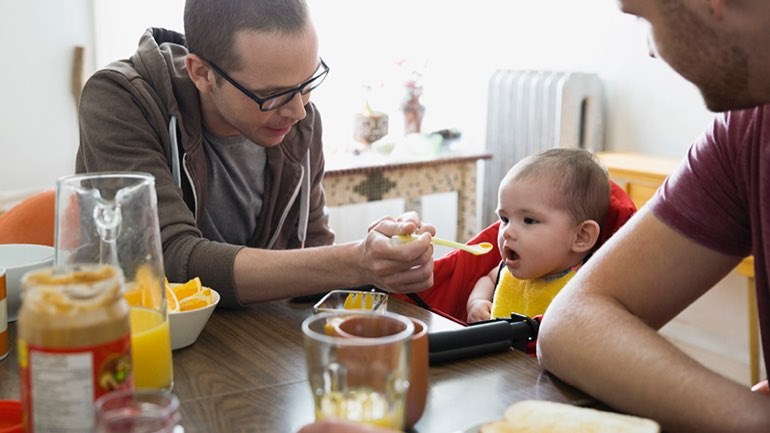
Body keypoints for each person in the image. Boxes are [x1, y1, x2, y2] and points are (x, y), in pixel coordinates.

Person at [76, 0, 435, 308]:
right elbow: (163, 260)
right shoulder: (119, 100)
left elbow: (311, 247)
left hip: (254, 354)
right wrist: (355, 260)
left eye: (306, 84)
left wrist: (382, 262)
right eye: (274, 94)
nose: (297, 111)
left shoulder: (301, 121)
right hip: (133, 351)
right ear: (201, 73)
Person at [536, 1, 770, 432]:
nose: (649, 50)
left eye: (643, 16)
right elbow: (571, 322)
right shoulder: (746, 132)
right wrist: (752, 418)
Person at [466, 148, 609, 323]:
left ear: (580, 236)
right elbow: (488, 279)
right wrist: (477, 301)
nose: (507, 231)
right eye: (504, 219)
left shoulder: (584, 288)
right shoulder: (506, 270)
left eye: (529, 220)